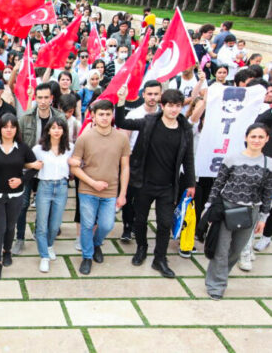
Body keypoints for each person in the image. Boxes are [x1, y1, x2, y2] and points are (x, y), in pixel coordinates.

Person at [116, 88, 195, 278]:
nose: (174, 110)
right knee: (140, 220)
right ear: (163, 106)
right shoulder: (149, 122)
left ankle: (160, 258)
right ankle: (141, 248)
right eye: (170, 106)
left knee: (164, 223)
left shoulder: (185, 129)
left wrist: (191, 182)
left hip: (168, 186)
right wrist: (121, 101)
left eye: (177, 106)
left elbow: (188, 158)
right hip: (145, 183)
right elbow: (121, 122)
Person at [204, 123, 272, 300]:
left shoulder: (269, 164)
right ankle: (216, 285)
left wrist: (264, 217)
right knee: (221, 248)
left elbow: (267, 193)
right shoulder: (232, 158)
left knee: (237, 249)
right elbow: (217, 185)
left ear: (266, 139)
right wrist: (208, 208)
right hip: (228, 208)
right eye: (253, 136)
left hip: (251, 211)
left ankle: (220, 274)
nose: (256, 140)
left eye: (260, 137)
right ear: (246, 137)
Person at [70, 100, 130, 275]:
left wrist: (123, 193)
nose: (104, 118)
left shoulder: (121, 138)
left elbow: (125, 167)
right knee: (87, 224)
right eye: (100, 114)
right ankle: (87, 256)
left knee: (106, 224)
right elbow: (74, 167)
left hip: (110, 191)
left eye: (107, 114)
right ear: (93, 117)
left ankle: (96, 244)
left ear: (112, 116)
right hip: (88, 190)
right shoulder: (85, 138)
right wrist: (92, 183)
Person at [0, 114, 38, 279]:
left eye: (12, 127)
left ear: (17, 129)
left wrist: (21, 180)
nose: (9, 130)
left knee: (10, 226)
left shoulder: (22, 148)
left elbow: (35, 166)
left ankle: (7, 251)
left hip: (16, 195)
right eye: (5, 126)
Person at [14, 83, 65, 254]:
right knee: (23, 204)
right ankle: (20, 237)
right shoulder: (26, 117)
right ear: (35, 98)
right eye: (39, 97)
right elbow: (18, 144)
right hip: (29, 167)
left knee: (45, 203)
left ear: (51, 98)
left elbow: (65, 141)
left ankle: (39, 230)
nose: (42, 101)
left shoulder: (59, 117)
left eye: (46, 98)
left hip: (49, 169)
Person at [120, 80, 162, 241]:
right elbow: (125, 139)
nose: (152, 97)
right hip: (133, 162)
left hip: (153, 164)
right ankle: (127, 226)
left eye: (155, 94)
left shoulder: (163, 115)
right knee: (129, 196)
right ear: (143, 94)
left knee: (143, 198)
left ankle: (139, 225)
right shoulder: (134, 114)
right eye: (149, 94)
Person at [33, 117, 73, 273]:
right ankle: (44, 256)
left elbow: (77, 163)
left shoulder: (70, 148)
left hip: (62, 187)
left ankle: (49, 245)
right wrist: (32, 165)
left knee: (55, 224)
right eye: (54, 127)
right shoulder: (39, 149)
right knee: (42, 225)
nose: (57, 130)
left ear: (64, 130)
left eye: (60, 128)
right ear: (48, 130)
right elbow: (27, 164)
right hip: (45, 187)